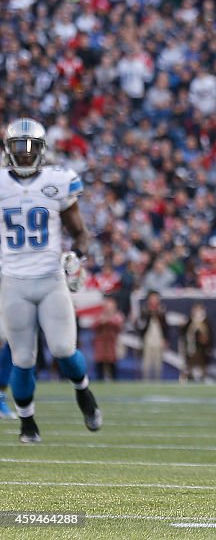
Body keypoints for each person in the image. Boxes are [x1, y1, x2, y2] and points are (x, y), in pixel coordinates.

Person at [0, 118, 102, 443]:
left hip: (49, 278)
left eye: (31, 148)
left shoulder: (59, 180)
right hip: (14, 281)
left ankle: (83, 393)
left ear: (43, 150)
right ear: (8, 149)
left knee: (62, 348)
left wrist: (77, 256)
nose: (26, 154)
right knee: (22, 358)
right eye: (19, 147)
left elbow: (80, 232)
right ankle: (28, 424)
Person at [136, 290, 168, 381]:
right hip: (148, 337)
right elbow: (141, 326)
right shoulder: (144, 309)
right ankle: (146, 380)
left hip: (158, 337)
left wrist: (165, 339)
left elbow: (165, 326)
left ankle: (158, 380)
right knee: (147, 361)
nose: (154, 300)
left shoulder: (162, 309)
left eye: (156, 298)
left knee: (158, 362)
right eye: (152, 298)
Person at [92, 297, 124, 380]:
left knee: (112, 363)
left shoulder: (117, 316)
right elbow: (94, 327)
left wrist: (108, 321)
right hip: (101, 344)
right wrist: (101, 322)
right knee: (100, 363)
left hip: (112, 344)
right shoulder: (99, 315)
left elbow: (119, 327)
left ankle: (113, 381)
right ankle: (100, 381)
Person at [182, 302, 213, 383]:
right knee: (190, 363)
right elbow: (184, 332)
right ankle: (190, 377)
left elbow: (210, 335)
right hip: (192, 346)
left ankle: (203, 377)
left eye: (199, 309)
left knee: (202, 363)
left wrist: (208, 345)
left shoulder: (206, 321)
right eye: (196, 309)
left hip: (202, 347)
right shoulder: (190, 320)